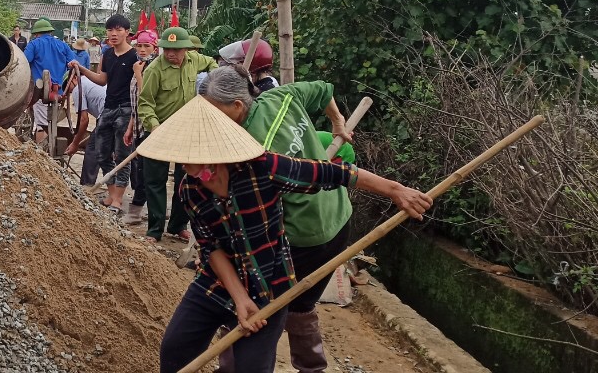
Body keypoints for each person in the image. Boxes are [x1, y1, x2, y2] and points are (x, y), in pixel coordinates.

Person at [150, 96, 431, 373]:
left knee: (252, 368)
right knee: (175, 349)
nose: (184, 167)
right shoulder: (190, 190)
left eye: (189, 158)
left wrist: (396, 190)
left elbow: (335, 173)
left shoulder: (260, 167)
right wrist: (239, 298)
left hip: (268, 288)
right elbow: (211, 247)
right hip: (216, 284)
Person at [136, 28, 218, 241]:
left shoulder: (194, 60)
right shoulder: (155, 69)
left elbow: (212, 64)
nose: (171, 54)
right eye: (167, 49)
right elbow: (145, 103)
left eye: (176, 49)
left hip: (187, 131)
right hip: (160, 130)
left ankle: (178, 225)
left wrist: (213, 81)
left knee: (186, 180)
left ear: (186, 49)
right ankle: (154, 229)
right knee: (155, 181)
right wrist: (153, 126)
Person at [68, 14, 136, 215]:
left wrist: (134, 118)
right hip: (108, 108)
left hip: (126, 109)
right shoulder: (107, 55)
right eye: (110, 30)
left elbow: (140, 87)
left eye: (118, 30)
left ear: (127, 32)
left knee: (122, 154)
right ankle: (111, 194)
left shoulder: (134, 57)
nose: (113, 34)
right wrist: (81, 69)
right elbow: (102, 80)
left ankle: (118, 200)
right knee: (102, 152)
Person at [118, 29, 160, 225]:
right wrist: (130, 126)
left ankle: (136, 212)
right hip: (139, 126)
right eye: (139, 46)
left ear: (155, 48)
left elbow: (146, 98)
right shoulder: (140, 65)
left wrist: (138, 73)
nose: (142, 50)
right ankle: (140, 210)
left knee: (146, 172)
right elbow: (136, 104)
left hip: (152, 126)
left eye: (147, 46)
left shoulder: (153, 68)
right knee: (139, 169)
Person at [22, 18, 74, 144]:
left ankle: (41, 154)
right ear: (50, 32)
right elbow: (73, 64)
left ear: (36, 34)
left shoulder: (34, 44)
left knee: (41, 124)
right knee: (50, 121)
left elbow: (23, 62)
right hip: (59, 92)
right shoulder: (62, 45)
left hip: (40, 92)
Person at [63, 75, 106, 186]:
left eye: (70, 89)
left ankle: (86, 186)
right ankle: (135, 188)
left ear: (74, 79)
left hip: (106, 114)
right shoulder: (91, 81)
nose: (72, 92)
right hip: (121, 111)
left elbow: (84, 120)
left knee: (93, 149)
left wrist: (75, 144)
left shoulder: (79, 88)